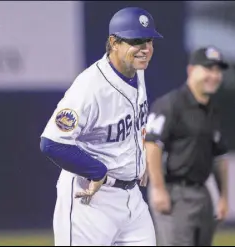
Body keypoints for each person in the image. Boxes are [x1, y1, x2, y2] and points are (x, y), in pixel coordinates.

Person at [40, 7, 163, 246]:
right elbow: (52, 143)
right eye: (136, 41)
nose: (146, 48)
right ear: (113, 42)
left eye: (148, 40)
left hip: (132, 199)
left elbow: (132, 120)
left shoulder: (136, 71)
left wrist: (138, 156)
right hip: (91, 199)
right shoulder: (89, 87)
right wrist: (96, 170)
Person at [145, 46, 229, 246]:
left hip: (202, 192)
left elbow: (219, 157)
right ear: (191, 70)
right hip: (174, 192)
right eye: (208, 69)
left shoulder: (212, 111)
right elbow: (152, 145)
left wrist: (224, 197)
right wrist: (158, 188)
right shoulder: (170, 104)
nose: (214, 76)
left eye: (218, 71)